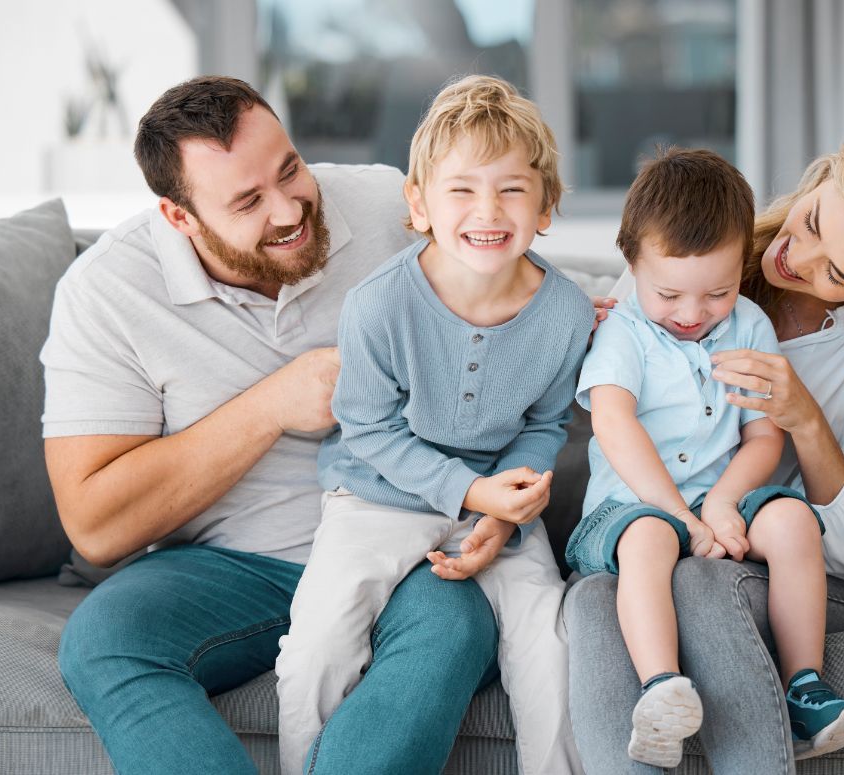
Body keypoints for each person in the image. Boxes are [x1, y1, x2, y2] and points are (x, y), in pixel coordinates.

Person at [43, 76, 503, 775]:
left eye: (291, 170)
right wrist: (270, 406)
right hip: (232, 567)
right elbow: (96, 526)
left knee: (459, 621)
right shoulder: (106, 292)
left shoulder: (388, 206)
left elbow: (524, 306)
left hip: (404, 548)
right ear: (179, 217)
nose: (291, 209)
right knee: (106, 638)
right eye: (248, 201)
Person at [566, 125, 844, 774]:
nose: (796, 258)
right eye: (811, 222)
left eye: (836, 273)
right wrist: (563, 324)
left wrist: (805, 421)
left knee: (701, 579)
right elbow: (608, 395)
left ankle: (794, 699)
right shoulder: (698, 249)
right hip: (671, 528)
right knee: (591, 597)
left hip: (796, 567)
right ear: (818, 181)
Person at [275, 75, 593, 775]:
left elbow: (547, 423)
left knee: (551, 641)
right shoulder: (379, 305)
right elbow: (366, 428)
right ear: (418, 205)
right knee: (316, 646)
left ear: (546, 206)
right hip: (375, 495)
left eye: (513, 188)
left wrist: (506, 511)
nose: (489, 209)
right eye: (462, 188)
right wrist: (470, 492)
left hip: (499, 507)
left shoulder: (567, 312)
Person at [565, 148, 844, 770]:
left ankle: (805, 686)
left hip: (715, 498)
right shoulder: (625, 331)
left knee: (791, 521)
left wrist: (728, 501)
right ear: (631, 265)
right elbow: (616, 425)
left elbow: (764, 438)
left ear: (742, 268)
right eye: (670, 293)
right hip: (632, 508)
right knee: (651, 538)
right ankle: (661, 687)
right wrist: (681, 514)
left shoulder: (750, 326)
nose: (690, 314)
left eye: (718, 292)